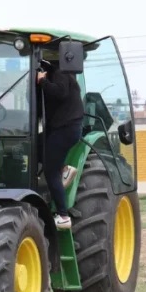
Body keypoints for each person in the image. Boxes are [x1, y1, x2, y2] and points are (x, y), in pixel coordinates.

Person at [36, 60, 84, 230]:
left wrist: (42, 81)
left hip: (66, 129)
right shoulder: (56, 73)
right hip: (58, 127)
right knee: (34, 145)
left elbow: (61, 92)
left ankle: (63, 216)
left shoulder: (61, 72)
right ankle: (64, 169)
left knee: (50, 170)